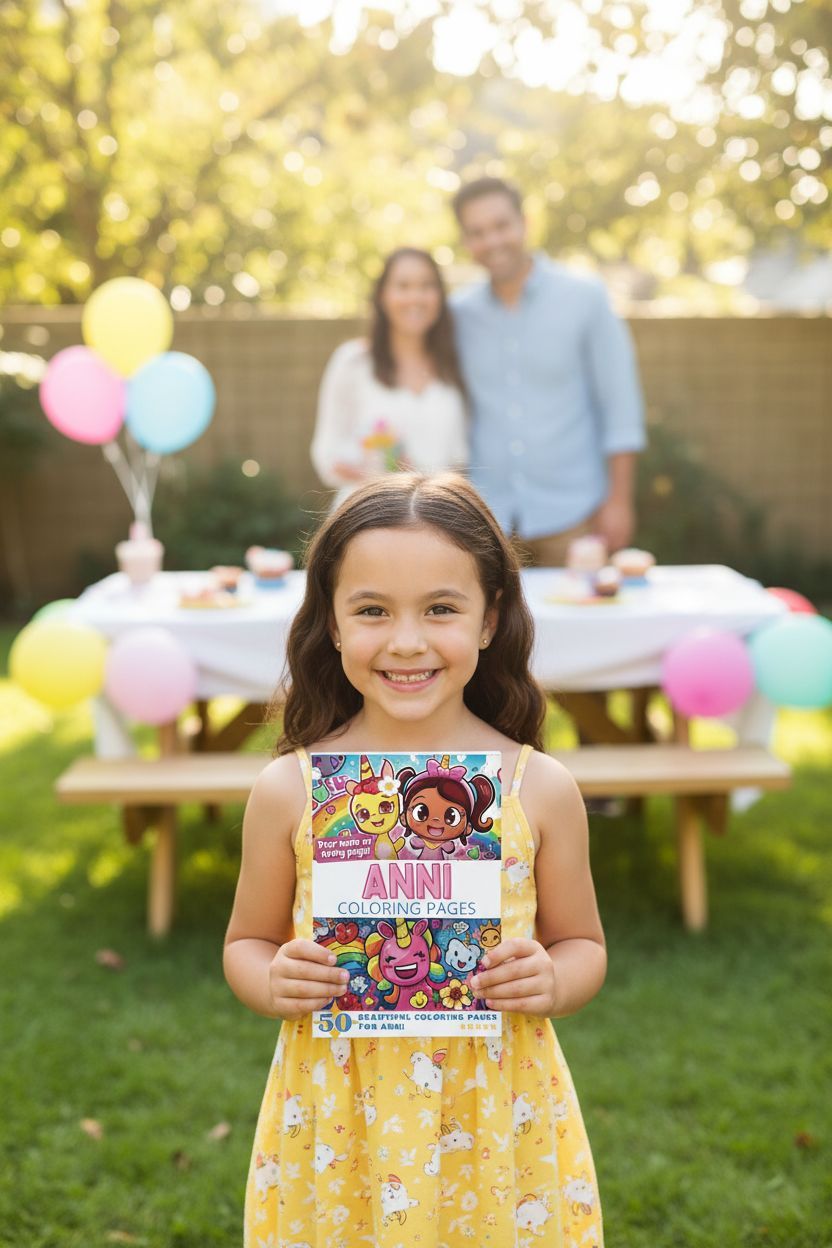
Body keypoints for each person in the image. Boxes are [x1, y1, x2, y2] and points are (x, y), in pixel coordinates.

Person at [224, 472, 607, 1247]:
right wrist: (272, 978)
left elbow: (585, 946)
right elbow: (244, 943)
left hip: (494, 1111)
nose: (406, 641)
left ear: (490, 618)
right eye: (371, 611)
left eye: (440, 608)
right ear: (330, 625)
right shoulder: (288, 791)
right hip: (336, 1119)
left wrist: (552, 978)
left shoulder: (541, 788)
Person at [451, 176, 646, 567]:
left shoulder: (585, 298)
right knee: (497, 630)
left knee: (582, 626)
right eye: (477, 232)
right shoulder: (457, 314)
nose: (492, 241)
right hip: (488, 523)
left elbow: (620, 405)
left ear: (524, 223)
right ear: (466, 242)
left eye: (501, 225)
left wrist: (619, 501)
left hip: (575, 516)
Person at [310, 248, 468, 506]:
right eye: (403, 286)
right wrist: (392, 479)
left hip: (440, 521)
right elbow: (327, 459)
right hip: (367, 515)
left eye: (427, 286)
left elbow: (460, 461)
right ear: (382, 296)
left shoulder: (453, 366)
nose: (415, 297)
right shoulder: (353, 362)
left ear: (440, 296)